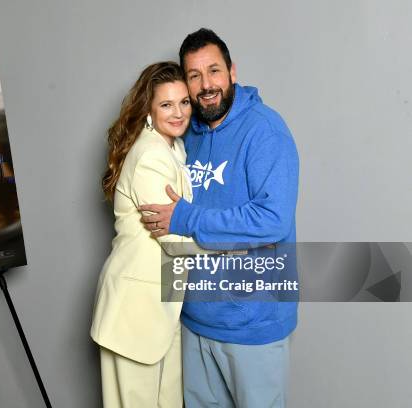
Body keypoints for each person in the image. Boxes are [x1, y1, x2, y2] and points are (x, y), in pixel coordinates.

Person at [139, 29, 300, 407]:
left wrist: (187, 218)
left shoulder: (265, 130)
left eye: (213, 71)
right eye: (194, 75)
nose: (206, 84)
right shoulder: (185, 133)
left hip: (253, 322)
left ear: (232, 71)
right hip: (195, 320)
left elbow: (272, 220)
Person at [89, 62, 198, 408]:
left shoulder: (171, 150)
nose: (178, 113)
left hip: (160, 309)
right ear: (149, 109)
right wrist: (240, 250)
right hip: (135, 313)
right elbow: (175, 240)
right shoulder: (151, 155)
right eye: (166, 104)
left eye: (184, 102)